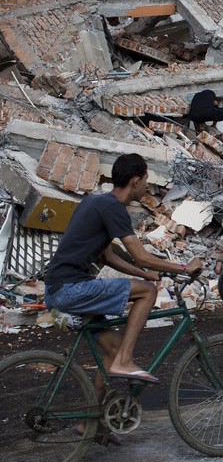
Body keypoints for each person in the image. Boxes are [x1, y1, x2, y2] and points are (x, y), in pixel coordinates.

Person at [45, 154, 202, 401]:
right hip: (70, 289)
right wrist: (183, 268)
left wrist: (145, 274)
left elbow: (107, 257)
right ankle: (126, 361)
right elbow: (140, 256)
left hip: (60, 287)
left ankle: (92, 426)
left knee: (113, 348)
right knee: (147, 292)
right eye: (146, 180)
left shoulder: (96, 203)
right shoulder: (115, 209)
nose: (147, 186)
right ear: (135, 180)